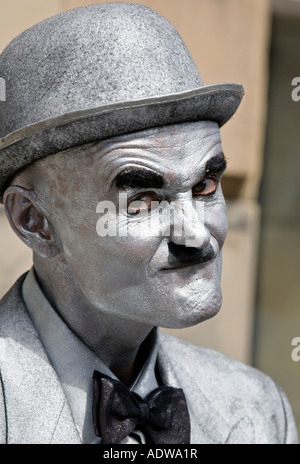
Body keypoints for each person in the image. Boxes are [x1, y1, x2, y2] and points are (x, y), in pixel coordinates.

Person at [0, 2, 297, 444]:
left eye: (205, 187)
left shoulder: (256, 409)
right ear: (35, 222)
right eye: (144, 200)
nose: (197, 235)